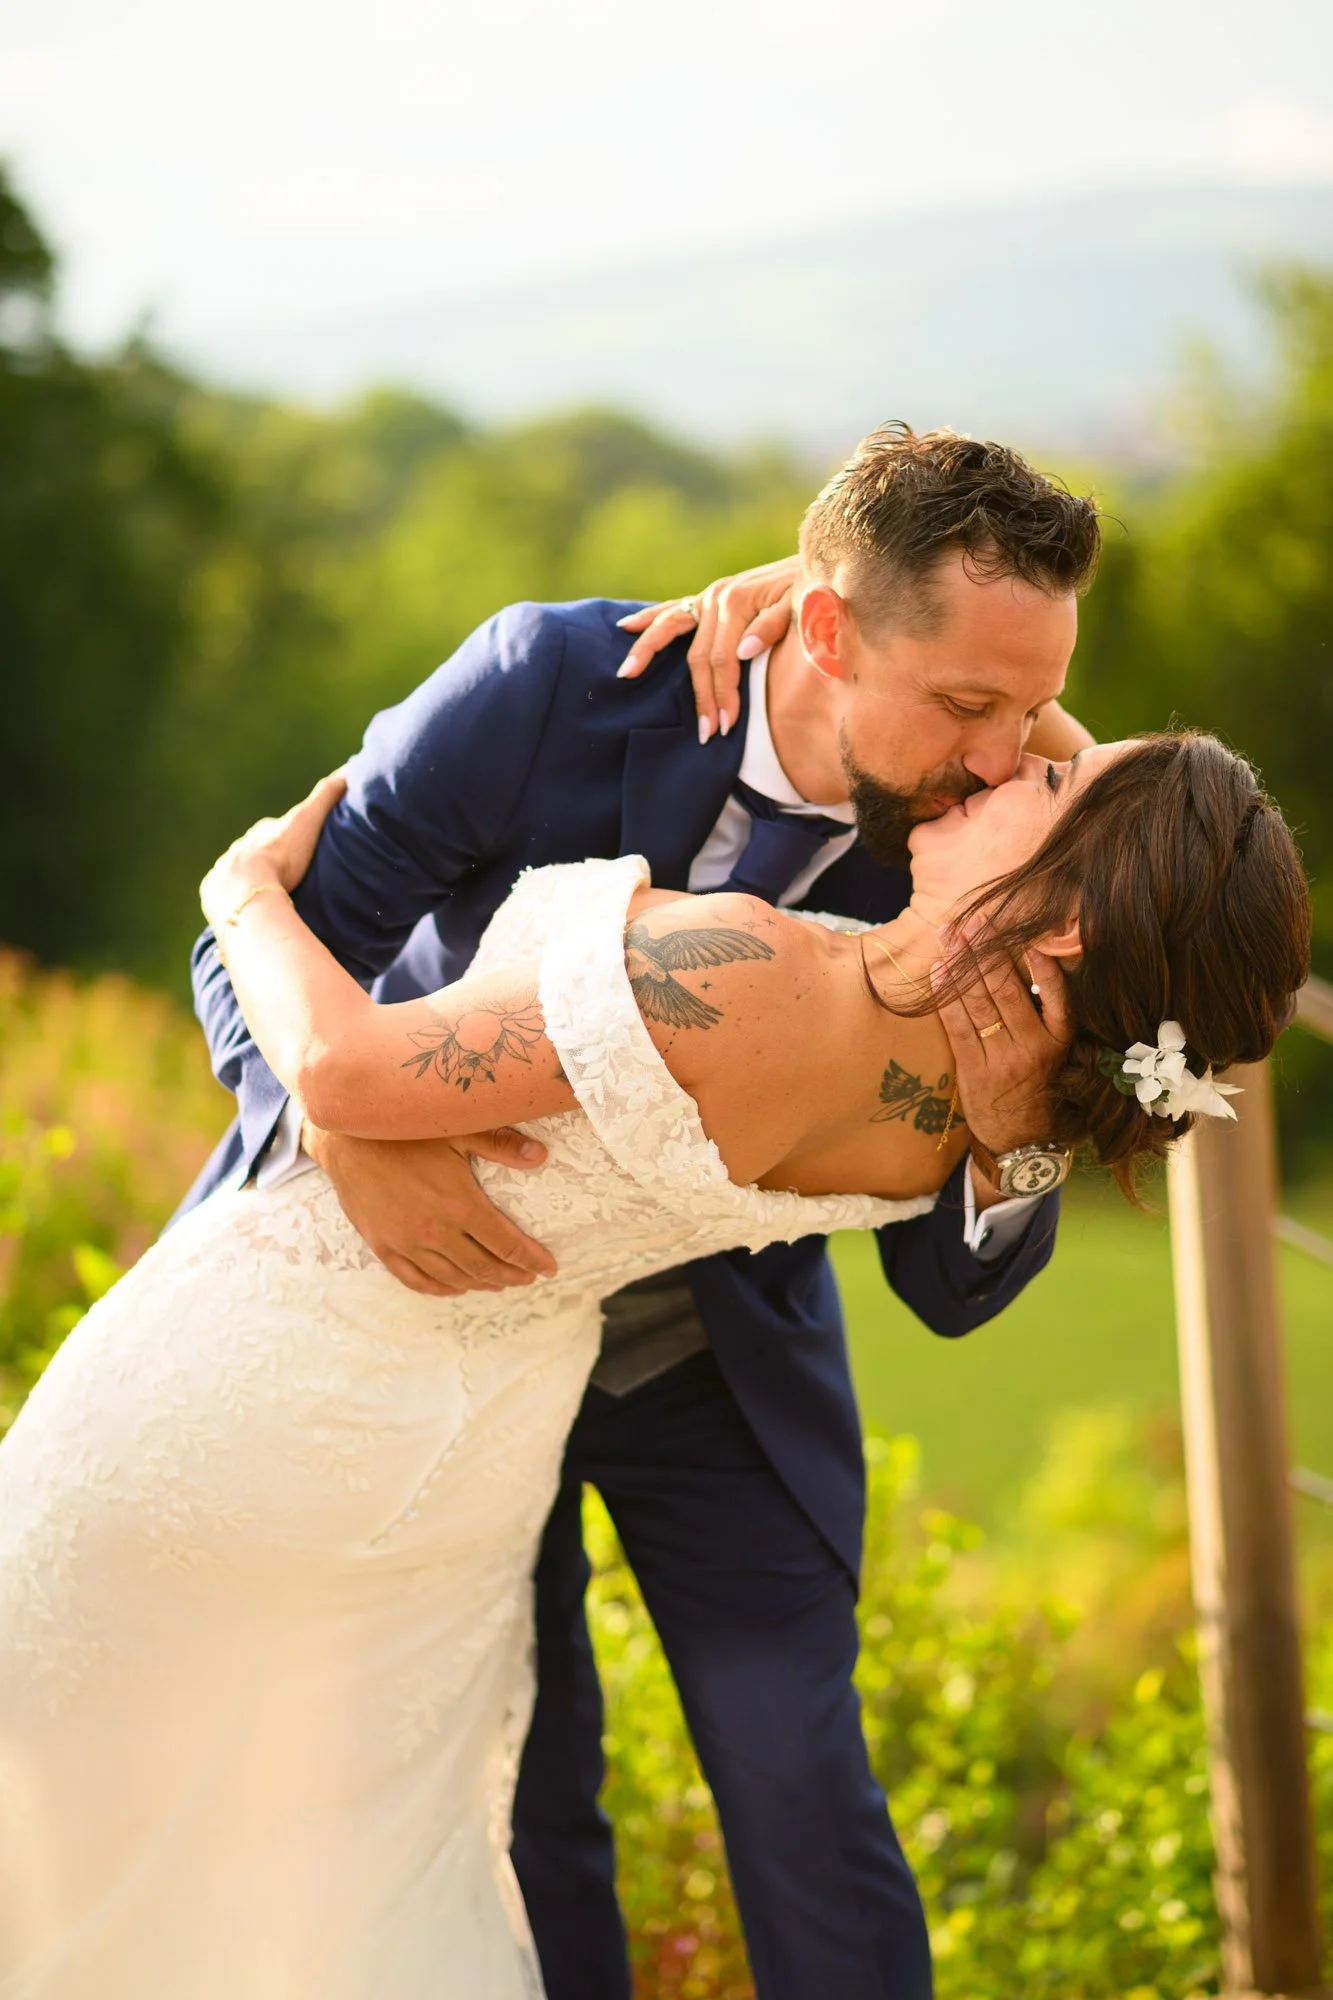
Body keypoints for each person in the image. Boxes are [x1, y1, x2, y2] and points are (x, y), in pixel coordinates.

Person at [0, 724, 1309, 2000]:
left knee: (88, 1814)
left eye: (1056, 770)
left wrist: (237, 894)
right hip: (458, 1466)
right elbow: (1078, 801)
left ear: (1070, 924)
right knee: (328, 1881)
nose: (1013, 746)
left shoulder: (752, 972)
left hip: (270, 1381)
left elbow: (343, 1070)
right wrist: (826, 596)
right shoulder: (974, 1108)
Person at [175, 424, 1100, 2000]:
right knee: (525, 1805)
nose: (1010, 758)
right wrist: (342, 1134)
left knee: (805, 1798)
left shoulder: (987, 843)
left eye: (1038, 706)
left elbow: (948, 1288)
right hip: (438, 1323)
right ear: (821, 625)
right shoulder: (547, 685)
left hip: (713, 1367)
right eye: (967, 706)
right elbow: (258, 947)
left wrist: (1015, 1146)